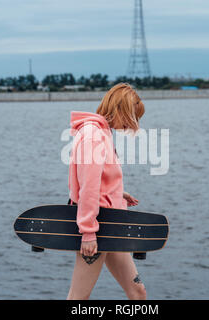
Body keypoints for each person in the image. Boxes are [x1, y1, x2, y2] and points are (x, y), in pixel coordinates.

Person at [66, 83, 146, 300]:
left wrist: (117, 193)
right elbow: (87, 189)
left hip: (111, 224)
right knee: (78, 298)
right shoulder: (94, 136)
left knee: (138, 293)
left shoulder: (102, 132)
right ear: (121, 110)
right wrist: (89, 233)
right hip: (97, 228)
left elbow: (97, 181)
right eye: (132, 117)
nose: (132, 124)